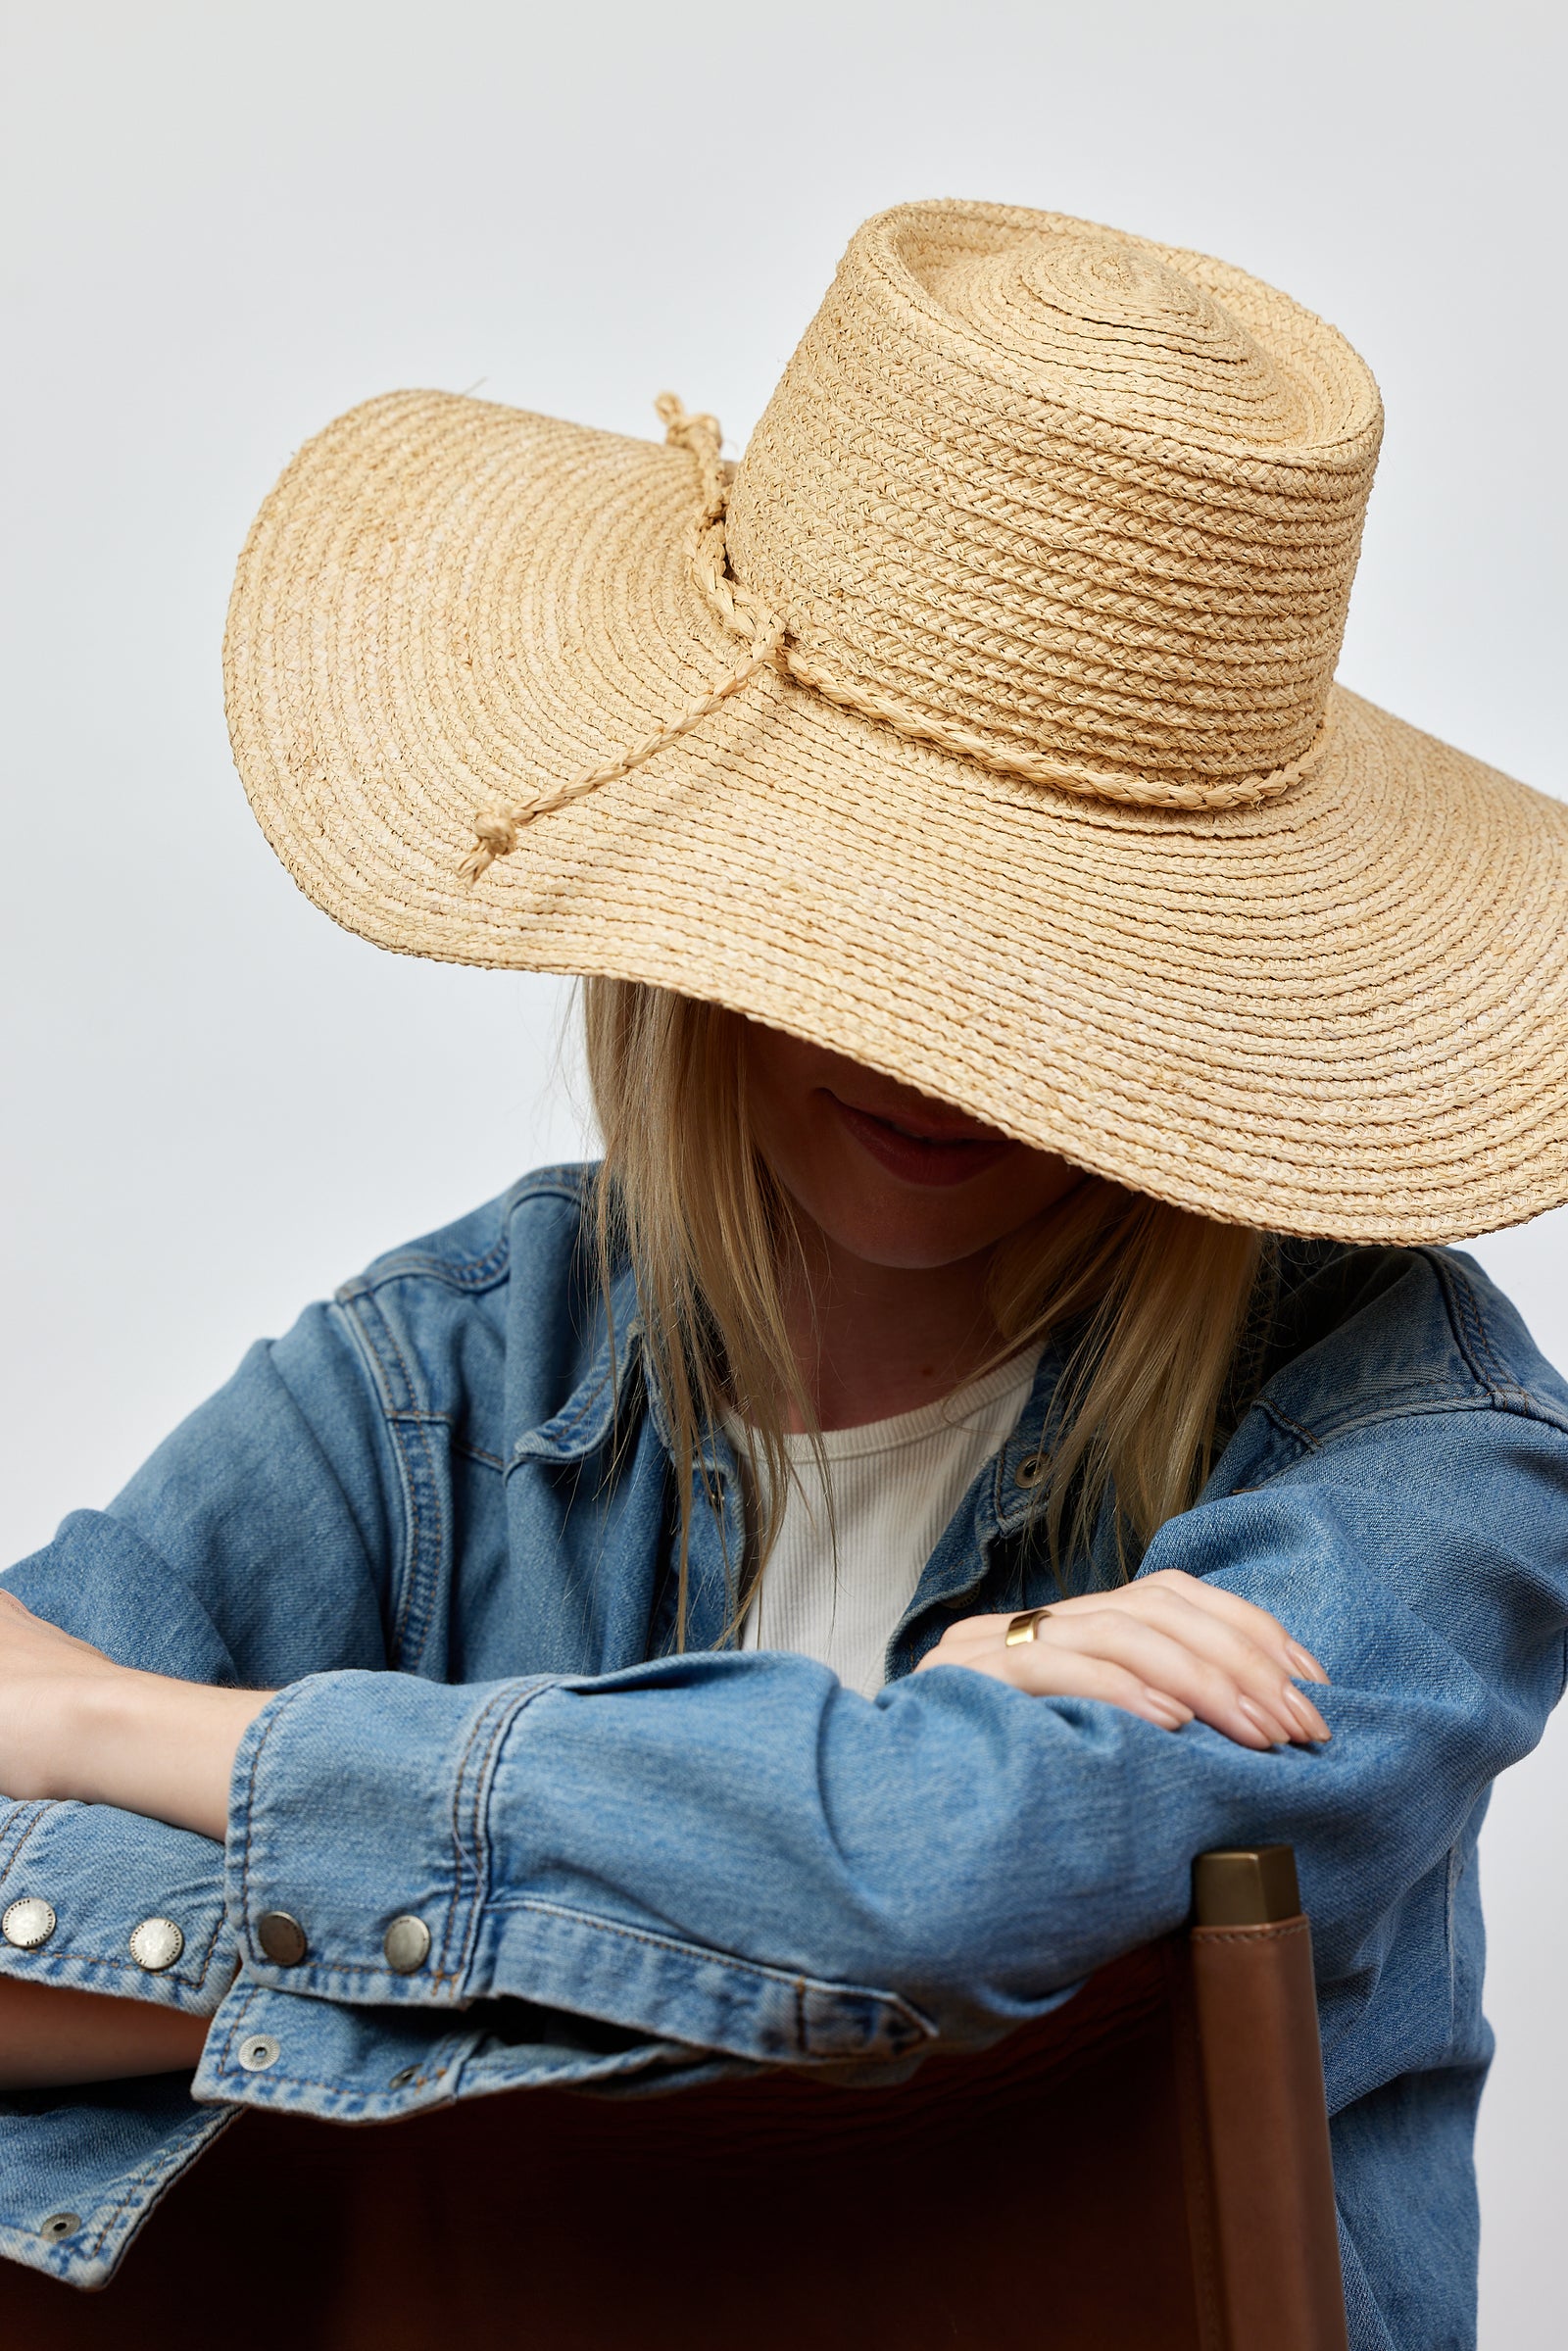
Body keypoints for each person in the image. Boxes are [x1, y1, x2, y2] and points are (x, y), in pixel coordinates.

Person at [2, 199, 1565, 2348]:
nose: (942, 1044)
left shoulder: (1422, 1447)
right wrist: (801, 1842)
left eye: (1057, 946)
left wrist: (136, 1738)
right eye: (874, 915)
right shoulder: (455, 1362)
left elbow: (957, 1876)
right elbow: (901, 1891)